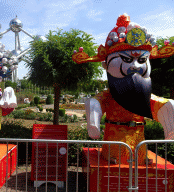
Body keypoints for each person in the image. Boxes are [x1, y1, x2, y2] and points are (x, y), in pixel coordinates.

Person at [72, 13, 174, 165]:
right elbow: (97, 102)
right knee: (115, 164)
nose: (135, 66)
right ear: (106, 65)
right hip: (114, 143)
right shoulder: (110, 94)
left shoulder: (143, 94)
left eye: (141, 60)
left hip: (139, 141)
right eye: (126, 59)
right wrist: (93, 112)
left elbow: (158, 104)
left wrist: (169, 109)